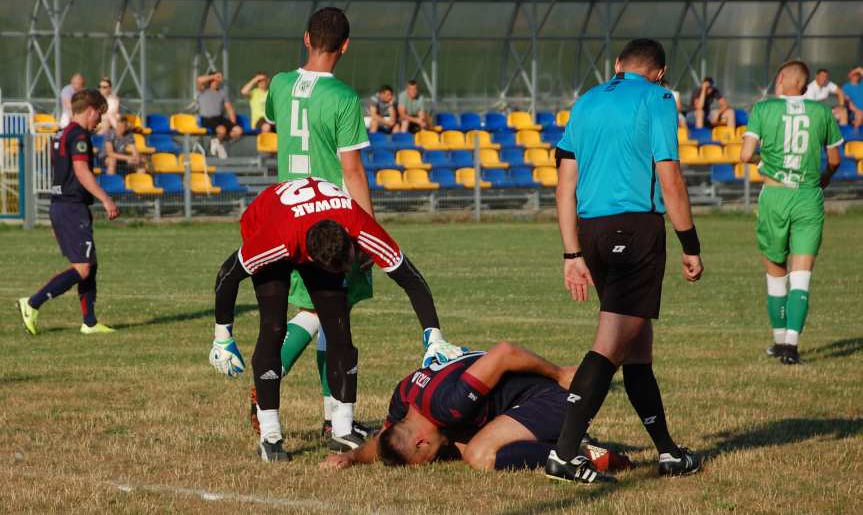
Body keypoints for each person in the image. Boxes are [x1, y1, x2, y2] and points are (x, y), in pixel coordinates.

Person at [208, 177, 464, 462]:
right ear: (315, 261)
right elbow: (228, 274)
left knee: (339, 329)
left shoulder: (355, 221)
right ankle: (271, 436)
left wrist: (434, 335)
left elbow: (409, 277)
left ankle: (342, 428)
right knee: (273, 326)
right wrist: (223, 336)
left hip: (320, 220)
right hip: (270, 218)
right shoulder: (276, 240)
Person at [548, 39, 704, 484]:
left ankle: (669, 452)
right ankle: (563, 454)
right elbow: (668, 175)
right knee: (613, 342)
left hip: (592, 232)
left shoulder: (586, 101)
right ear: (660, 72)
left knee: (638, 348)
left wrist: (572, 253)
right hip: (634, 230)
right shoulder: (658, 98)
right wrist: (690, 244)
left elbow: (565, 185)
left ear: (617, 65)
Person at [263, 7, 376, 450]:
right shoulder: (345, 98)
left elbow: (277, 121)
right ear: (346, 46)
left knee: (327, 314)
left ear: (306, 38)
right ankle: (268, 382)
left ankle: (333, 417)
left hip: (288, 212)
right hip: (329, 219)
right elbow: (352, 170)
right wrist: (365, 230)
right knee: (321, 313)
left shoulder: (278, 83)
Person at [320, 342, 632, 476]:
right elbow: (388, 437)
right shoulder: (404, 396)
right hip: (527, 401)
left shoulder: (450, 406)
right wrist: (351, 457)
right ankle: (561, 442)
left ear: (420, 442)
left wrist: (559, 373)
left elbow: (505, 353)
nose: (432, 462)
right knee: (462, 445)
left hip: (554, 399)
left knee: (479, 454)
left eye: (425, 460)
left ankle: (581, 454)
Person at [740, 60, 843, 365]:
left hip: (775, 195)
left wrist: (765, 163)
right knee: (801, 277)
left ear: (782, 78)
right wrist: (822, 181)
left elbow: (745, 154)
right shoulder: (823, 112)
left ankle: (778, 340)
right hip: (809, 196)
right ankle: (791, 348)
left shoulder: (763, 109)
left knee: (776, 273)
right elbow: (835, 160)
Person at [16, 89, 120, 336]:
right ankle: (32, 303)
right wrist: (106, 200)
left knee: (89, 264)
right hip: (71, 207)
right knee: (83, 267)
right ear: (91, 110)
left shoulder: (61, 134)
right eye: (99, 115)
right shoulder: (79, 136)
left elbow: (64, 174)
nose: (99, 121)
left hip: (63, 206)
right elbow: (81, 171)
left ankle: (90, 322)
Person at [196, 70, 243, 152]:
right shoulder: (203, 90)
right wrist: (214, 76)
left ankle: (217, 141)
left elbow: (229, 109)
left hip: (220, 119)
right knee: (222, 130)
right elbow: (199, 80)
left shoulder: (222, 93)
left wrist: (233, 123)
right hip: (207, 119)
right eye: (219, 77)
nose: (220, 79)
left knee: (238, 130)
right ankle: (218, 143)